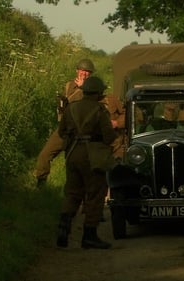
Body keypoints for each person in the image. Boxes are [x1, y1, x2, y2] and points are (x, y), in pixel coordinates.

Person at [56, 76, 117, 249]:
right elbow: (109, 136)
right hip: (92, 156)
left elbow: (61, 132)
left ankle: (63, 228)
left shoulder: (71, 108)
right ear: (99, 93)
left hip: (73, 154)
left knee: (73, 193)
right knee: (95, 194)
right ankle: (89, 235)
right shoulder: (100, 110)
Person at [34, 58, 95, 187]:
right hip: (65, 127)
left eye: (87, 72)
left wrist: (84, 89)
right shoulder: (69, 85)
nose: (83, 74)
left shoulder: (94, 89)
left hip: (81, 131)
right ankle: (41, 182)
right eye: (82, 71)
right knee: (44, 155)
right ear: (77, 71)